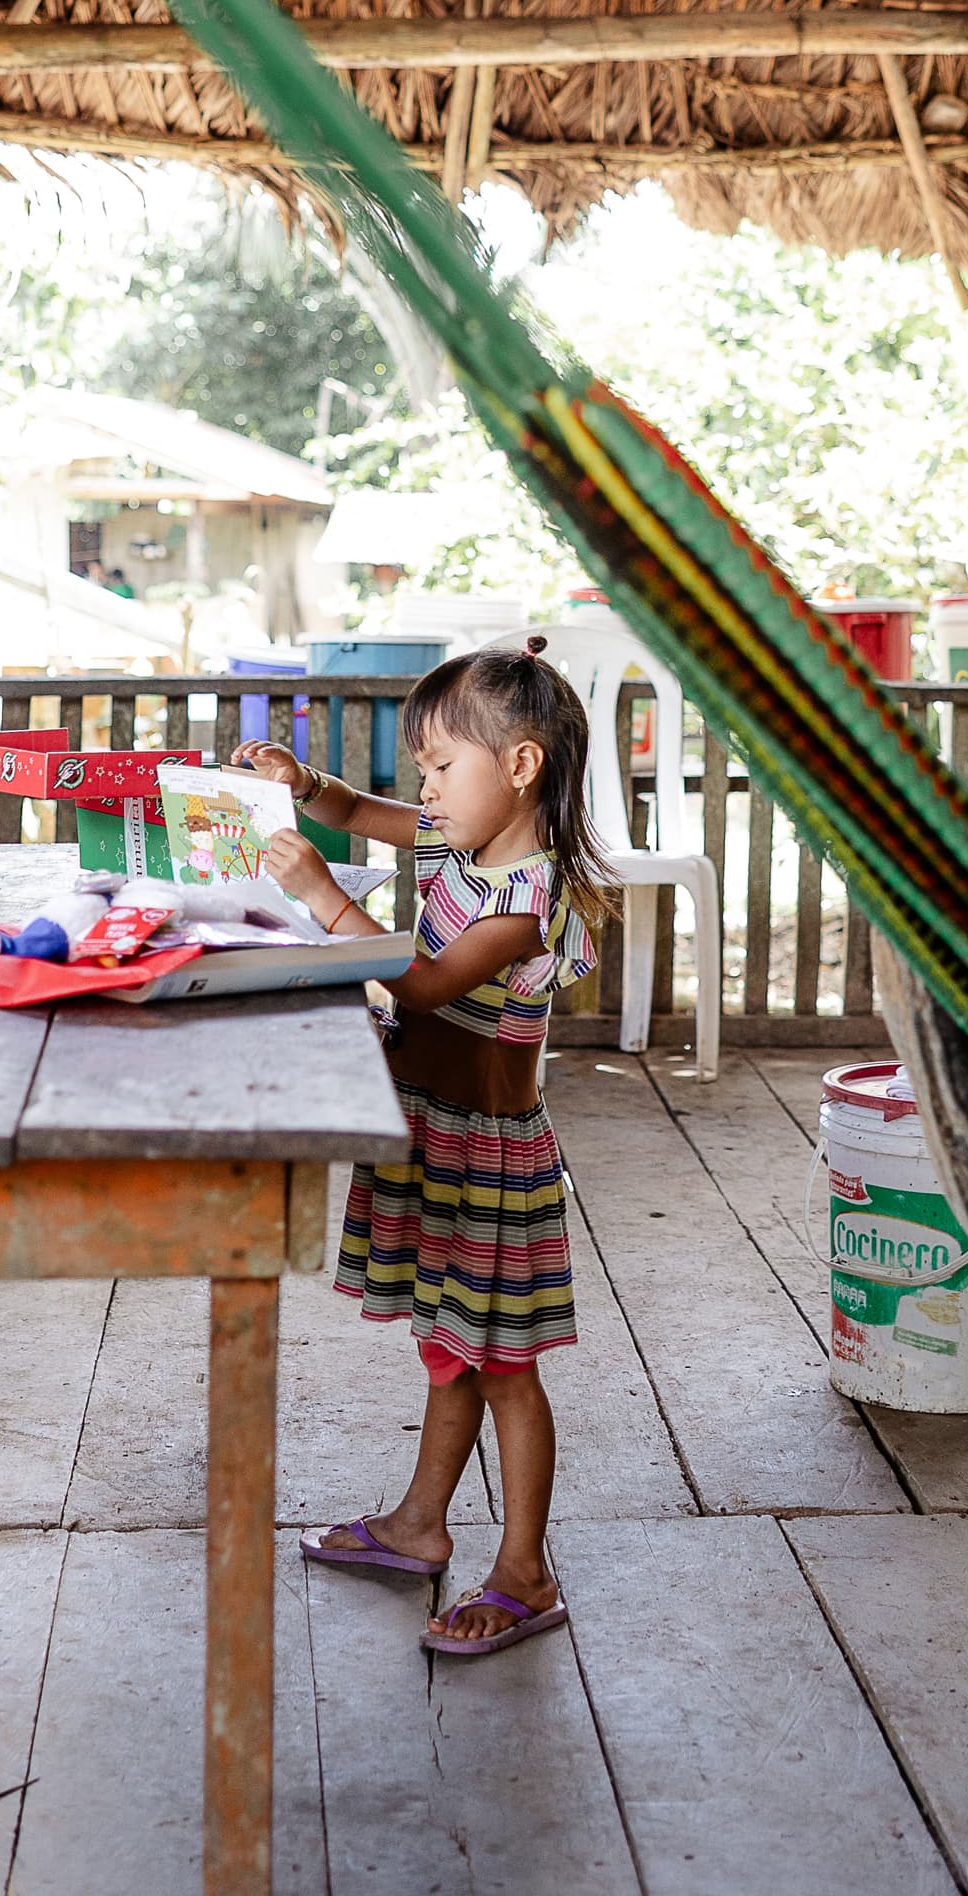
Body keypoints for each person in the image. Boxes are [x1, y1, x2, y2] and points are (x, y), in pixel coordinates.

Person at [230, 643, 608, 1654]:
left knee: (505, 1368)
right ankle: (419, 1523)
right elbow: (354, 812)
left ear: (521, 766)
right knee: (450, 1351)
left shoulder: (527, 901)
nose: (426, 791)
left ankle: (525, 1571)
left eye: (442, 768)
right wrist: (304, 786)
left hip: (491, 1162)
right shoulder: (457, 850)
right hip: (433, 1139)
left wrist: (321, 896)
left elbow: (425, 983)